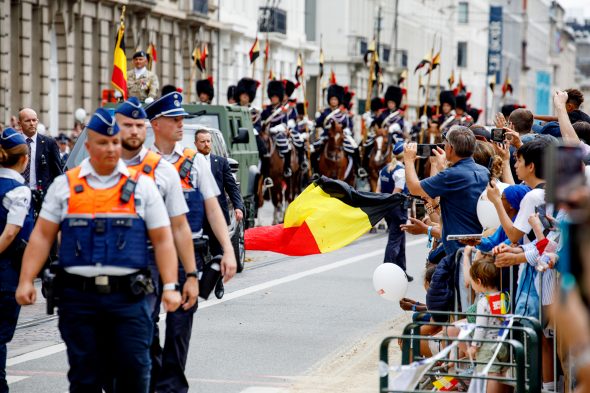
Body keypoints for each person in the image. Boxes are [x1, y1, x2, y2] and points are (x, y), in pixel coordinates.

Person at [15, 108, 181, 392]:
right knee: (85, 377)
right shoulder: (64, 186)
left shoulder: (142, 187)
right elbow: (42, 236)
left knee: (134, 373)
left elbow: (164, 238)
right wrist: (26, 280)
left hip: (129, 299)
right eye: (103, 142)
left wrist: (170, 286)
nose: (111, 148)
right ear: (88, 145)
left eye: (115, 142)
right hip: (80, 300)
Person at [145, 92, 237, 393]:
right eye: (175, 119)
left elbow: (213, 207)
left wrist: (228, 250)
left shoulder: (195, 162)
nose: (181, 124)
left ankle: (170, 388)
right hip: (147, 256)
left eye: (183, 118)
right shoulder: (142, 163)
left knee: (179, 326)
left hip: (189, 255)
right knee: (143, 325)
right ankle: (157, 379)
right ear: (156, 124)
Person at [114, 97, 199, 392]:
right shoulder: (92, 167)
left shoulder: (159, 171)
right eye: (129, 125)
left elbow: (176, 228)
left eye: (139, 125)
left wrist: (187, 276)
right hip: (101, 269)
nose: (135, 131)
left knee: (141, 335)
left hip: (146, 264)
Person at [404, 126, 488, 320]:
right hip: (478, 248)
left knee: (462, 311)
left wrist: (409, 161)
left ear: (449, 148)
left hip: (460, 254)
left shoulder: (452, 175)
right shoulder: (483, 171)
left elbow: (415, 188)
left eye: (445, 144)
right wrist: (442, 169)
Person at [0, 128, 34, 393]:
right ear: (24, 160)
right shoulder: (19, 191)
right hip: (7, 272)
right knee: (0, 335)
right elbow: (11, 232)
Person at [194, 128, 244, 255]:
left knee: (218, 252)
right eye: (202, 141)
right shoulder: (189, 162)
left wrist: (238, 207)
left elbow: (231, 187)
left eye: (208, 141)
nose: (206, 144)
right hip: (197, 215)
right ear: (195, 143)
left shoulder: (221, 162)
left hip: (218, 214)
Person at [464, 255, 510, 393]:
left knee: (491, 374)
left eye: (472, 281)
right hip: (503, 343)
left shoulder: (484, 302)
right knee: (502, 373)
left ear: (479, 281)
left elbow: (481, 327)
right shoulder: (504, 296)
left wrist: (474, 346)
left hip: (487, 345)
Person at [314, 84, 368, 178]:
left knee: (354, 147)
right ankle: (315, 172)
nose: (333, 101)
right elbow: (317, 123)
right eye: (332, 99)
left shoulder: (342, 112)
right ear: (329, 100)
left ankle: (358, 168)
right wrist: (317, 118)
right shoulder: (325, 112)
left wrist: (346, 131)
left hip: (341, 136)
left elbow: (348, 125)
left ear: (338, 101)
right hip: (328, 135)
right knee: (314, 150)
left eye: (335, 99)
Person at [17, 108, 63, 217]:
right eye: (28, 121)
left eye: (34, 120)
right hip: (18, 195)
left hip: (42, 198)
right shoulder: (15, 143)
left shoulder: (49, 143)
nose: (32, 123)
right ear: (20, 124)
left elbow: (58, 173)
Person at [377, 142, 412, 281]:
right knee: (394, 241)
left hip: (387, 208)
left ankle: (402, 270)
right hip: (397, 208)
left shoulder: (385, 169)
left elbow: (378, 190)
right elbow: (396, 192)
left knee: (400, 239)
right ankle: (386, 271)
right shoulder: (401, 170)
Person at [260, 80, 294, 178]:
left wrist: (275, 129)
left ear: (279, 97)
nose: (273, 98)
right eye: (272, 96)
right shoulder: (266, 110)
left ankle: (287, 168)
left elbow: (284, 124)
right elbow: (262, 121)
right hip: (267, 133)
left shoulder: (283, 110)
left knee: (285, 145)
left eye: (276, 97)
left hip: (278, 133)